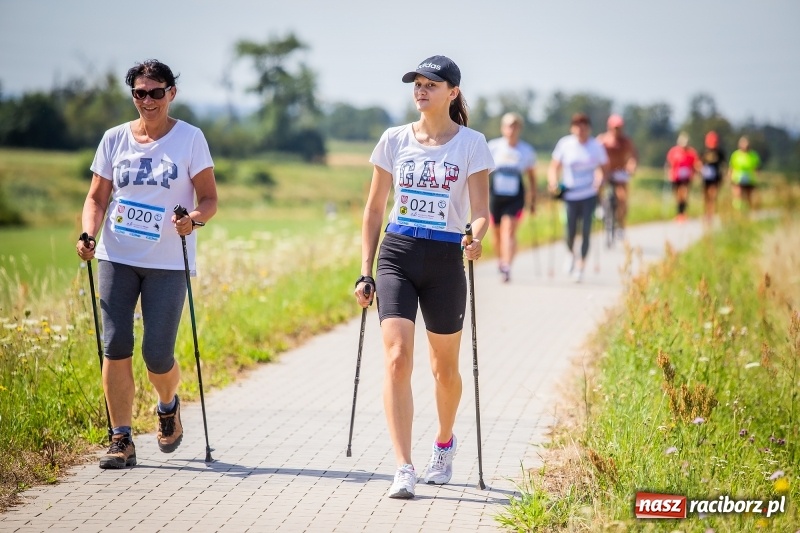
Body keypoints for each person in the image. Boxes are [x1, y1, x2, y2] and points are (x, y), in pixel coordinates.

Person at [354, 55, 492, 499]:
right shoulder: (394, 139)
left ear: (452, 92)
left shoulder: (471, 144)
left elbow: (483, 213)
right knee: (396, 358)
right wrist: (364, 270)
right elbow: (375, 209)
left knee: (443, 369)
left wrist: (475, 239)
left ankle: (444, 443)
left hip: (444, 259)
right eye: (416, 83)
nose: (421, 90)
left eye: (431, 84)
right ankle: (403, 466)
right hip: (397, 252)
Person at [76, 60, 218, 469]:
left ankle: (167, 403)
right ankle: (121, 437)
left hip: (168, 262)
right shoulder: (114, 139)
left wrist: (193, 220)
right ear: (133, 96)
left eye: (157, 92)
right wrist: (89, 233)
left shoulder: (190, 139)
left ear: (171, 93)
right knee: (115, 344)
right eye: (140, 93)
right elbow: (97, 198)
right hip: (116, 255)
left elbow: (209, 198)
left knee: (157, 354)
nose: (148, 100)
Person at [547, 113, 608, 283]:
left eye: (584, 126)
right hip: (570, 194)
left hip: (589, 194)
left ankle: (581, 266)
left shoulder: (596, 146)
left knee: (587, 230)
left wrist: (600, 179)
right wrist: (553, 182)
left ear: (589, 128)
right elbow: (554, 167)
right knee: (570, 231)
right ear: (572, 128)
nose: (581, 129)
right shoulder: (565, 144)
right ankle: (570, 254)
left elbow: (603, 168)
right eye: (577, 126)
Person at [487, 112, 537, 282]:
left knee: (509, 230)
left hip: (516, 196)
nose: (512, 129)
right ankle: (501, 260)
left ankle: (507, 266)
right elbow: (482, 172)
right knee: (496, 233)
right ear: (503, 128)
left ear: (520, 129)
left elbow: (531, 176)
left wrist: (533, 198)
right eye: (509, 125)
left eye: (515, 126)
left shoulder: (526, 150)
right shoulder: (493, 147)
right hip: (496, 195)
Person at [596, 114, 637, 240]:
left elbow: (632, 157)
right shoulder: (602, 140)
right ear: (609, 127)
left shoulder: (626, 141)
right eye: (614, 127)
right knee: (597, 183)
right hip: (605, 171)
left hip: (620, 172)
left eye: (619, 128)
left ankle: (620, 223)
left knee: (622, 197)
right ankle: (599, 205)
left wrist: (631, 167)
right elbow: (595, 155)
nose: (617, 130)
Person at [665, 132, 699, 222]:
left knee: (684, 194)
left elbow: (695, 164)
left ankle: (683, 213)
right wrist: (669, 173)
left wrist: (695, 174)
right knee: (677, 196)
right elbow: (669, 164)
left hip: (686, 178)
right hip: (676, 177)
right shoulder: (673, 151)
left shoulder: (691, 153)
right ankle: (679, 213)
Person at [728, 135, 761, 212]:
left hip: (750, 178)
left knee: (748, 196)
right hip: (737, 178)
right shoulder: (735, 155)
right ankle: (738, 209)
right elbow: (731, 167)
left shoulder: (753, 155)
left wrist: (757, 177)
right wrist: (729, 176)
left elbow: (757, 167)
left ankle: (748, 210)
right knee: (738, 194)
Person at [699, 130, 726, 224]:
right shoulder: (704, 152)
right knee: (706, 196)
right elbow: (699, 163)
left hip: (716, 178)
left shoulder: (720, 153)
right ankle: (706, 213)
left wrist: (724, 176)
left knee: (713, 196)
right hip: (705, 178)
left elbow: (724, 165)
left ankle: (711, 214)